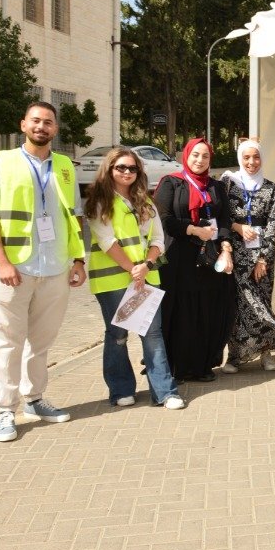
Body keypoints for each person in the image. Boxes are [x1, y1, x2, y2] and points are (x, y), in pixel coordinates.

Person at [0, 101, 85, 442]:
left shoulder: (65, 166)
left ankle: (35, 400)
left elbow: (75, 216)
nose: (42, 127)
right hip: (14, 269)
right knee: (6, 342)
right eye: (36, 121)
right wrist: (4, 262)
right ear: (23, 124)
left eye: (48, 122)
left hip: (54, 269)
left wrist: (78, 260)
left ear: (55, 129)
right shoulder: (1, 163)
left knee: (41, 342)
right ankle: (6, 410)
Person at [83, 147, 184, 410]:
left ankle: (165, 392)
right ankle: (121, 390)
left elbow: (158, 240)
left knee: (152, 334)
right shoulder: (98, 201)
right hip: (113, 281)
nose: (127, 172)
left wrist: (146, 265)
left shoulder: (146, 202)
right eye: (121, 168)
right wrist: (133, 268)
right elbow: (107, 241)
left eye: (132, 168)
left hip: (146, 277)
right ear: (110, 170)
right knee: (117, 335)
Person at [154, 138, 235, 384]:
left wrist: (226, 248)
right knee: (179, 311)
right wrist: (193, 230)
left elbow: (224, 220)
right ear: (186, 156)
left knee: (206, 310)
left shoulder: (216, 187)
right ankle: (176, 367)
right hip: (178, 258)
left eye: (205, 156)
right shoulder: (171, 183)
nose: (200, 161)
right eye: (195, 155)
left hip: (209, 260)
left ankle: (202, 365)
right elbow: (164, 219)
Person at [220, 139, 275, 373]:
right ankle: (234, 357)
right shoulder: (228, 184)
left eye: (256, 157)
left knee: (262, 302)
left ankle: (265, 353)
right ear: (239, 159)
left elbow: (273, 224)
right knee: (238, 306)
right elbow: (221, 217)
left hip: (261, 257)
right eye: (246, 157)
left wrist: (263, 258)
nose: (252, 162)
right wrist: (237, 227)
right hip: (235, 253)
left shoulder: (270, 187)